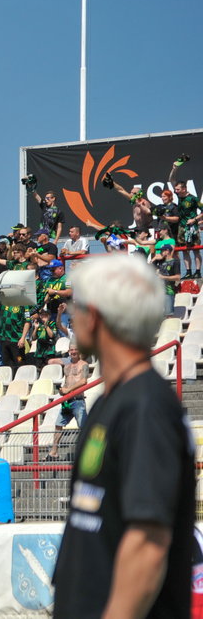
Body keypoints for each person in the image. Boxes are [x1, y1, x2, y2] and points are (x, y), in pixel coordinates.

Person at [52, 254, 195, 618]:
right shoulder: (116, 400)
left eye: (75, 306)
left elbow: (147, 542)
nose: (70, 315)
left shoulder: (145, 406)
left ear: (95, 316)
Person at [46, 346, 88, 461]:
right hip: (67, 401)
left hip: (78, 400)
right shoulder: (67, 366)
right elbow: (66, 382)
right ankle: (54, 452)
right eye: (71, 350)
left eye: (75, 349)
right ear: (69, 352)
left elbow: (84, 381)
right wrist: (63, 390)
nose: (73, 352)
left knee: (83, 427)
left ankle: (86, 452)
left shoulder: (83, 364)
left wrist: (69, 390)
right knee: (58, 424)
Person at [173, 180, 202, 278]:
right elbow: (171, 179)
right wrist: (174, 169)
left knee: (196, 250)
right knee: (184, 250)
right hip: (182, 227)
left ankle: (197, 271)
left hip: (192, 227)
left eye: (178, 189)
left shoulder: (193, 198)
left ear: (184, 189)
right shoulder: (178, 196)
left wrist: (194, 219)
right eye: (175, 189)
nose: (176, 191)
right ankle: (188, 272)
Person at [152, 243, 181, 317]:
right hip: (158, 292)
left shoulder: (175, 262)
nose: (160, 253)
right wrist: (154, 259)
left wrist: (163, 277)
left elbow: (178, 277)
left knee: (168, 315)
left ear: (167, 251)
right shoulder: (160, 261)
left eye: (162, 251)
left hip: (168, 291)